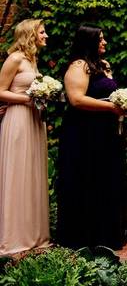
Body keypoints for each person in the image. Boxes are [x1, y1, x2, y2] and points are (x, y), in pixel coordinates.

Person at [56, 24, 127, 250]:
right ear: (88, 42)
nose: (104, 43)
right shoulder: (79, 66)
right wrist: (111, 107)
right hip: (84, 134)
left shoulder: (102, 65)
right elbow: (76, 99)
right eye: (100, 39)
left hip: (105, 133)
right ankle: (83, 236)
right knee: (87, 178)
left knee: (106, 179)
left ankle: (106, 234)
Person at [0, 19, 51, 255]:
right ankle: (13, 235)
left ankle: (34, 233)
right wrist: (29, 99)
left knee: (32, 173)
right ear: (30, 35)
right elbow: (0, 91)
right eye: (42, 32)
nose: (46, 35)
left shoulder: (33, 61)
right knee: (17, 172)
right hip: (18, 119)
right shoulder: (15, 59)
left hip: (34, 121)